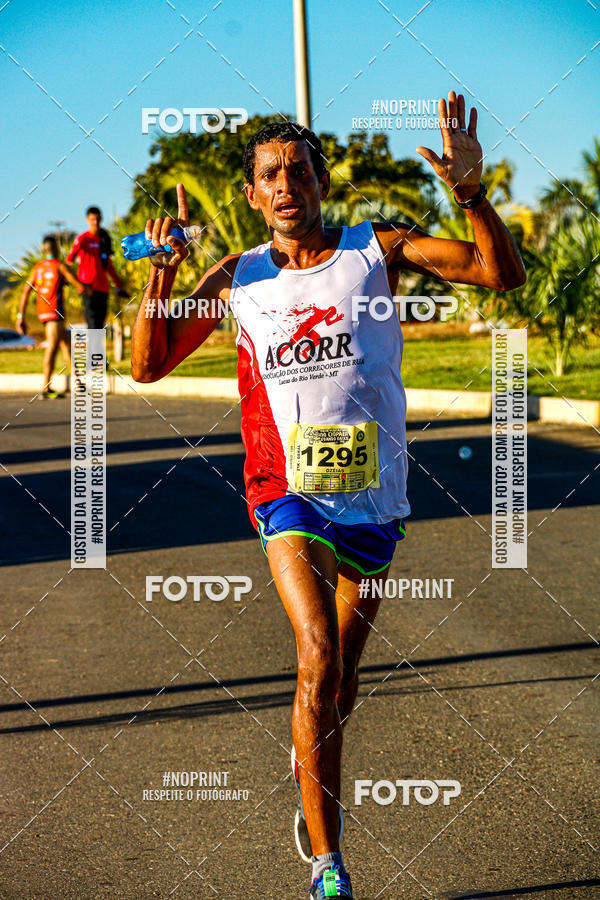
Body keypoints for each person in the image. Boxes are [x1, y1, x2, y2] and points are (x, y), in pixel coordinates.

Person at [130, 92, 526, 898]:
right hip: (287, 494)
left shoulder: (375, 248)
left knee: (338, 683)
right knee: (315, 654)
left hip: (375, 496)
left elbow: (501, 274)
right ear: (252, 194)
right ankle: (328, 864)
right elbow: (147, 364)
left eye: (299, 170)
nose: (286, 185)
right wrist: (163, 270)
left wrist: (472, 195)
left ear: (320, 180)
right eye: (270, 175)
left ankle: (308, 770)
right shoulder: (236, 277)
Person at [17, 235, 92, 398]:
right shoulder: (59, 266)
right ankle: (46, 387)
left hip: (43, 311)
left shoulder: (38, 268)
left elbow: (25, 292)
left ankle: (78, 382)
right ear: (56, 249)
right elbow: (76, 282)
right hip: (55, 311)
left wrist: (20, 316)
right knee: (52, 346)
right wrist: (88, 289)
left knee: (66, 345)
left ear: (44, 250)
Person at [67, 205, 129, 329]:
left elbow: (108, 266)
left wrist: (119, 284)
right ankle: (93, 343)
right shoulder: (82, 239)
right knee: (93, 323)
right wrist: (79, 285)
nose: (95, 222)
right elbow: (69, 262)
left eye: (98, 219)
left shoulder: (104, 239)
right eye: (92, 219)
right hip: (88, 288)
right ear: (87, 220)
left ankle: (97, 343)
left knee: (100, 325)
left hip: (103, 288)